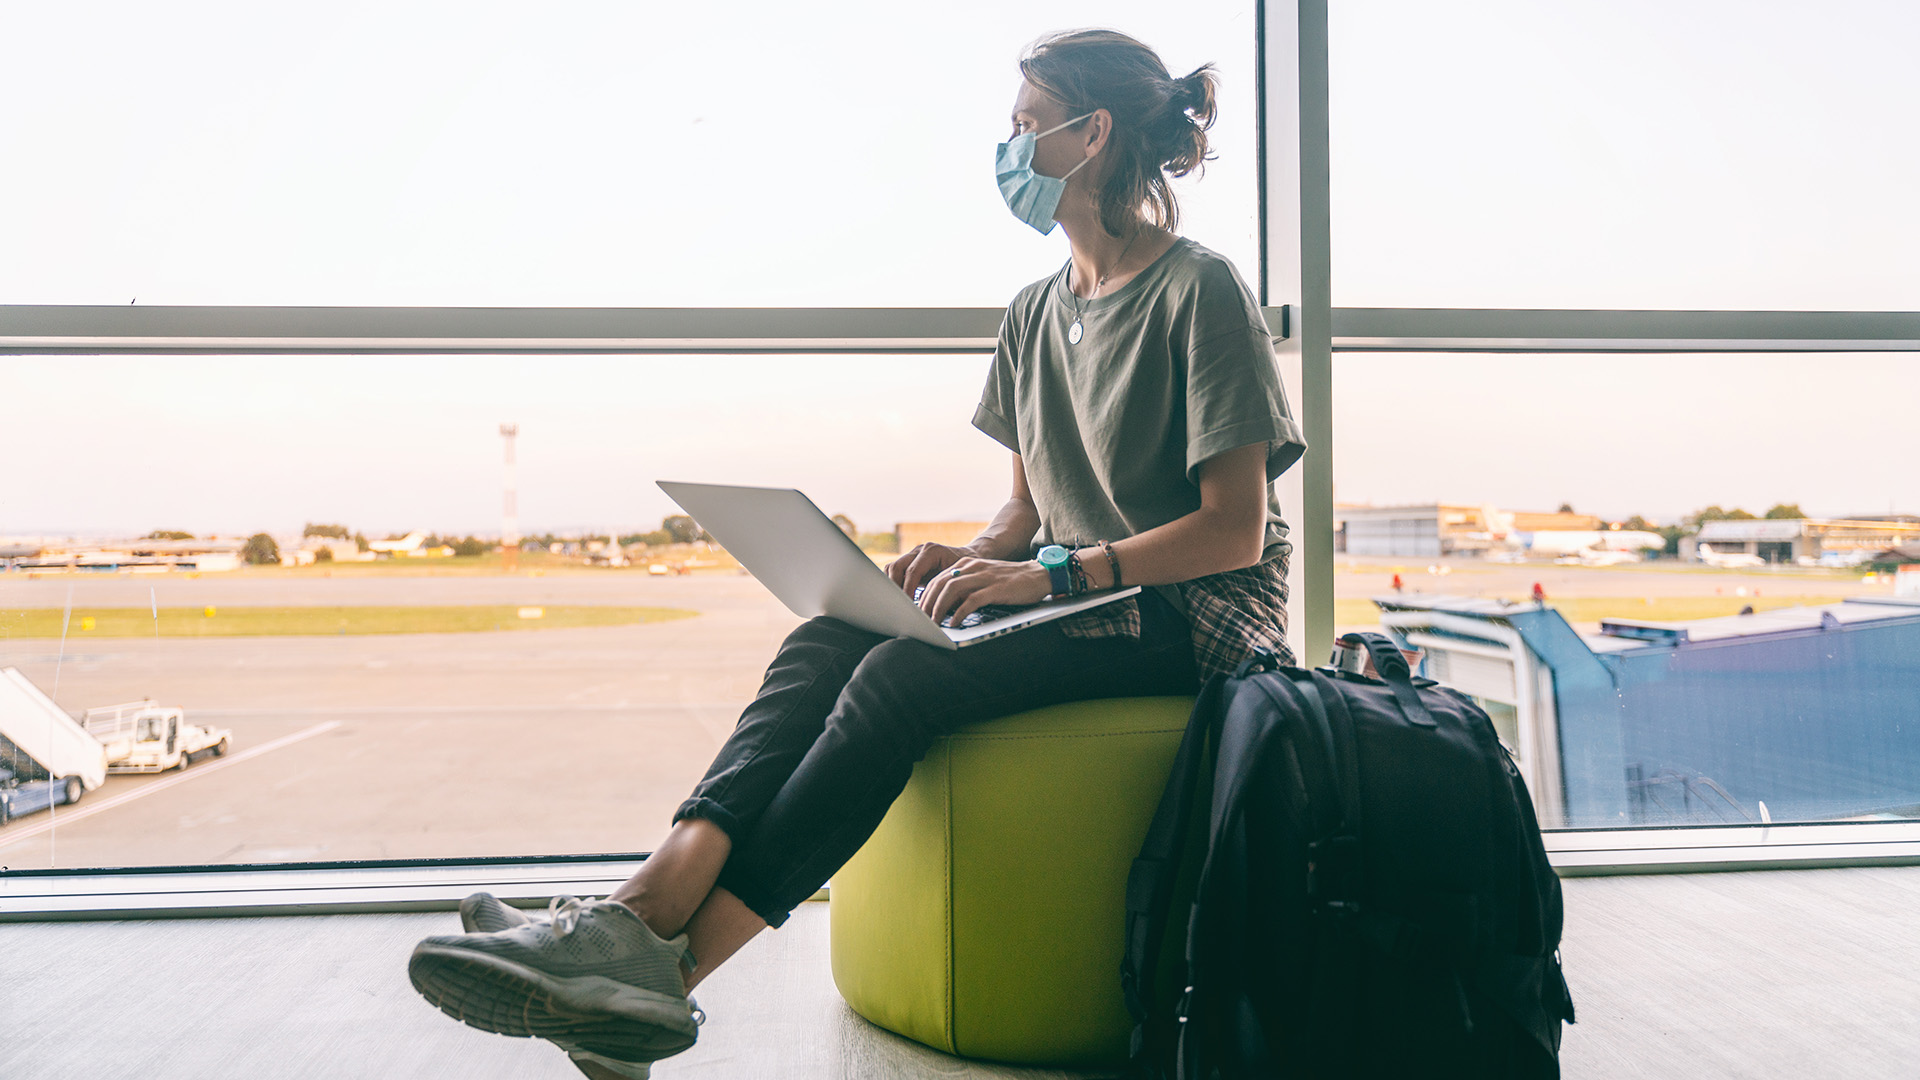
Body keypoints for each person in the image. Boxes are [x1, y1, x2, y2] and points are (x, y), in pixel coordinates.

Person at [404, 28, 1305, 1080]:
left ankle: (659, 972)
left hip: (1191, 616)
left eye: (1023, 123)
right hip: (1077, 594)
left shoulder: (1200, 290)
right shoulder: (1032, 313)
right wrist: (963, 561)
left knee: (898, 680)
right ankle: (635, 920)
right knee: (831, 634)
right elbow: (1026, 509)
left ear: (1090, 133)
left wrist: (1045, 575)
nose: (1008, 146)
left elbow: (1233, 527)